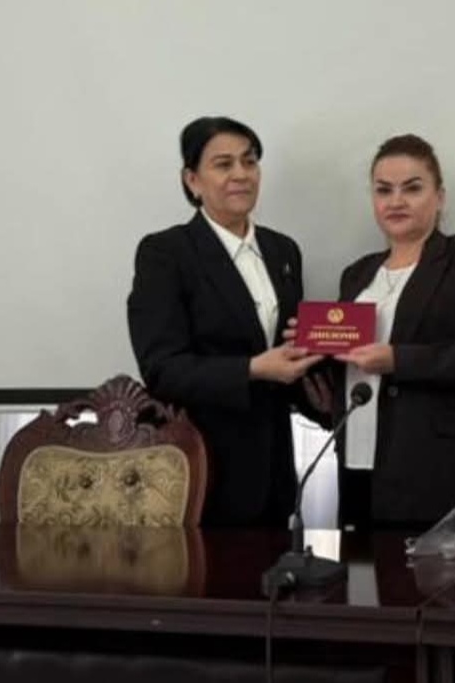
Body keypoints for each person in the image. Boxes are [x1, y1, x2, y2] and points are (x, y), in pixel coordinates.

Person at [127, 116, 326, 527]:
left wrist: (318, 392)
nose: (241, 174)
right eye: (223, 164)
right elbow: (162, 369)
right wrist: (253, 368)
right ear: (192, 180)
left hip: (274, 465)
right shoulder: (166, 253)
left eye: (249, 162)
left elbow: (284, 353)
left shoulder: (283, 250)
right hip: (201, 465)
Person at [333, 134, 455, 530]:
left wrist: (397, 359)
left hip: (444, 471)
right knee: (364, 571)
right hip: (362, 466)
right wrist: (313, 363)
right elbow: (350, 364)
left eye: (412, 188)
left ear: (439, 197)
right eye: (383, 190)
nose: (396, 201)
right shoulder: (357, 274)